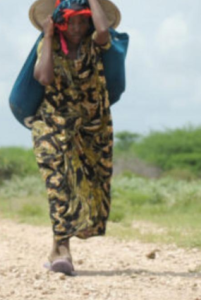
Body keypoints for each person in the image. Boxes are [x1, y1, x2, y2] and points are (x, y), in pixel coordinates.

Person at [28, 0, 119, 275]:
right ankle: (64, 250)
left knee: (90, 183)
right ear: (60, 22)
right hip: (52, 124)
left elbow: (104, 30)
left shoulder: (94, 42)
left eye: (83, 21)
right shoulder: (49, 44)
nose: (78, 28)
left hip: (91, 127)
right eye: (71, 21)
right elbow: (43, 77)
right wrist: (48, 34)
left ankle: (56, 246)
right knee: (58, 183)